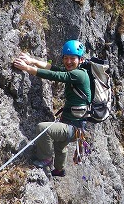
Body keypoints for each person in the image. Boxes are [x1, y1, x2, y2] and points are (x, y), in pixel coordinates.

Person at [13, 40, 91, 177]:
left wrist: (28, 68)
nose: (68, 62)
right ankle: (59, 170)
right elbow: (53, 68)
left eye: (72, 58)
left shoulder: (79, 74)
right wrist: (32, 61)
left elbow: (55, 76)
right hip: (73, 125)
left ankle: (45, 158)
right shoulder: (74, 71)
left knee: (43, 129)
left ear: (81, 60)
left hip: (74, 128)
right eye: (66, 58)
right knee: (60, 146)